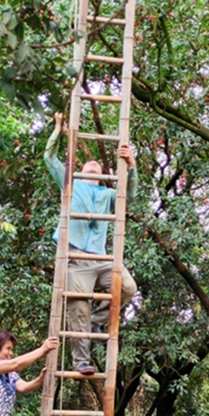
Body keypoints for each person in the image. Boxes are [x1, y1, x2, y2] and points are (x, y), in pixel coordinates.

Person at [44, 112, 138, 375]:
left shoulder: (108, 194)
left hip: (102, 259)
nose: (94, 164)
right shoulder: (71, 185)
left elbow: (129, 196)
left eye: (98, 164)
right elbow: (49, 159)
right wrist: (58, 128)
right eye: (89, 164)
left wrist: (131, 165)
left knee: (128, 287)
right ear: (81, 172)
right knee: (79, 307)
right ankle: (82, 361)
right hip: (75, 256)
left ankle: (98, 322)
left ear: (103, 175)